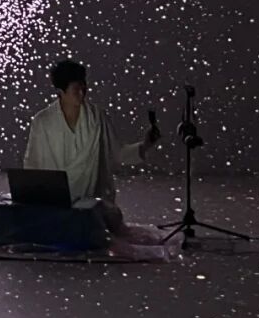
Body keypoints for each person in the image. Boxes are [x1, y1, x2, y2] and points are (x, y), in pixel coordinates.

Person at [23, 59, 161, 233]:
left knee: (98, 221)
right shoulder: (42, 121)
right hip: (56, 203)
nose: (82, 93)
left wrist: (146, 144)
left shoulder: (97, 118)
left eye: (84, 87)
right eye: (76, 90)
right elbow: (32, 165)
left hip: (92, 204)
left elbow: (117, 153)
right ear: (61, 92)